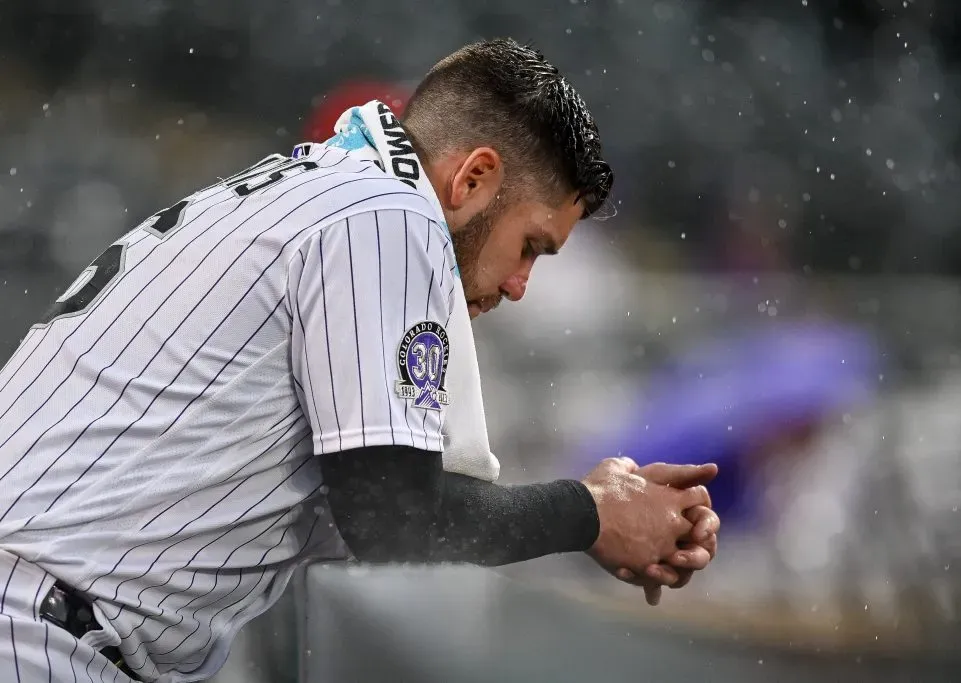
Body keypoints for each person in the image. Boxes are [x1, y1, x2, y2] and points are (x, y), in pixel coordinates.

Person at [0, 38, 719, 683]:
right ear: (472, 179)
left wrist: (601, 509)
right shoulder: (387, 213)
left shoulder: (334, 189)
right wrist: (589, 513)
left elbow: (367, 508)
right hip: (37, 630)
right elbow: (395, 517)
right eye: (531, 244)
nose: (521, 284)